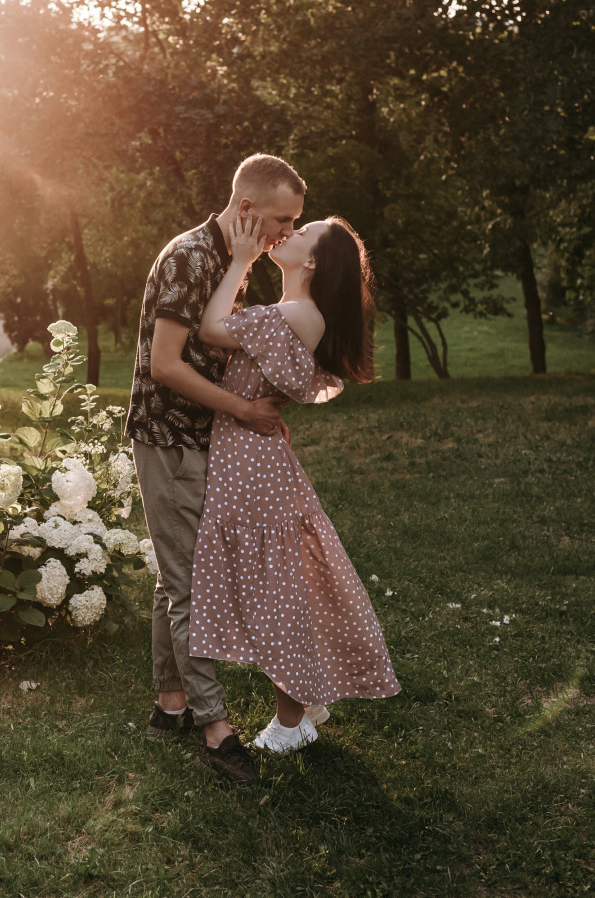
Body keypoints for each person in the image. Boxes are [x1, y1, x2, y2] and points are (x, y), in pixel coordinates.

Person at [190, 211, 401, 754]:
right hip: (252, 457)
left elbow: (212, 329)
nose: (291, 231)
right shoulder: (292, 311)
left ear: (311, 261)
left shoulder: (298, 312)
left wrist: (239, 260)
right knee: (275, 585)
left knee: (277, 592)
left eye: (303, 233)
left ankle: (292, 719)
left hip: (252, 466)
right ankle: (304, 701)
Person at [126, 153, 306, 785]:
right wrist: (246, 411)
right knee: (190, 585)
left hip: (205, 439)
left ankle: (170, 704)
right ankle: (215, 729)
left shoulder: (236, 262)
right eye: (282, 219)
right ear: (249, 208)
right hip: (170, 437)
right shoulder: (189, 258)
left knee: (177, 573)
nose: (287, 232)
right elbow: (166, 366)